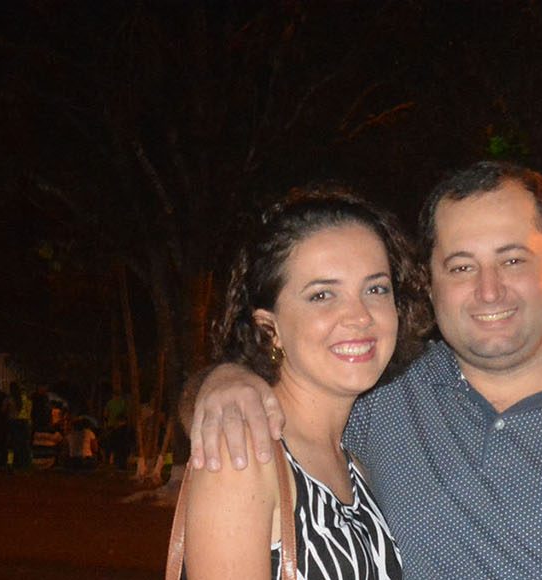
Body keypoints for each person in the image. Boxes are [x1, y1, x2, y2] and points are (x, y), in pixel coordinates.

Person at [188, 161, 542, 578]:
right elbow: (261, 423)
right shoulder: (384, 399)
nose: (489, 290)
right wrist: (221, 383)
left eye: (512, 259)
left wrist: (226, 383)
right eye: (462, 266)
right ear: (430, 281)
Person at [178, 187, 422, 579]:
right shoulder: (244, 453)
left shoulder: (355, 465)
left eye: (376, 289)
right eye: (322, 295)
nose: (360, 316)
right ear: (269, 328)